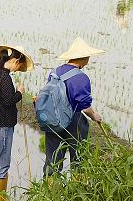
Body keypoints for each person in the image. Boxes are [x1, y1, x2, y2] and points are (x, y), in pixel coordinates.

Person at [42, 38, 105, 176]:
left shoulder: (55, 72)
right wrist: (95, 116)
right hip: (73, 121)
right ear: (83, 58)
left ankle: (49, 189)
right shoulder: (81, 77)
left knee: (52, 158)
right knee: (78, 157)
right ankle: (77, 188)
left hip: (53, 119)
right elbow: (85, 106)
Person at [0, 45, 34, 201]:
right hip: (3, 125)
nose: (18, 69)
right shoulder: (5, 78)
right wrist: (20, 92)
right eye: (19, 66)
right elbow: (8, 100)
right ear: (15, 60)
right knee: (2, 163)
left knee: (0, 160)